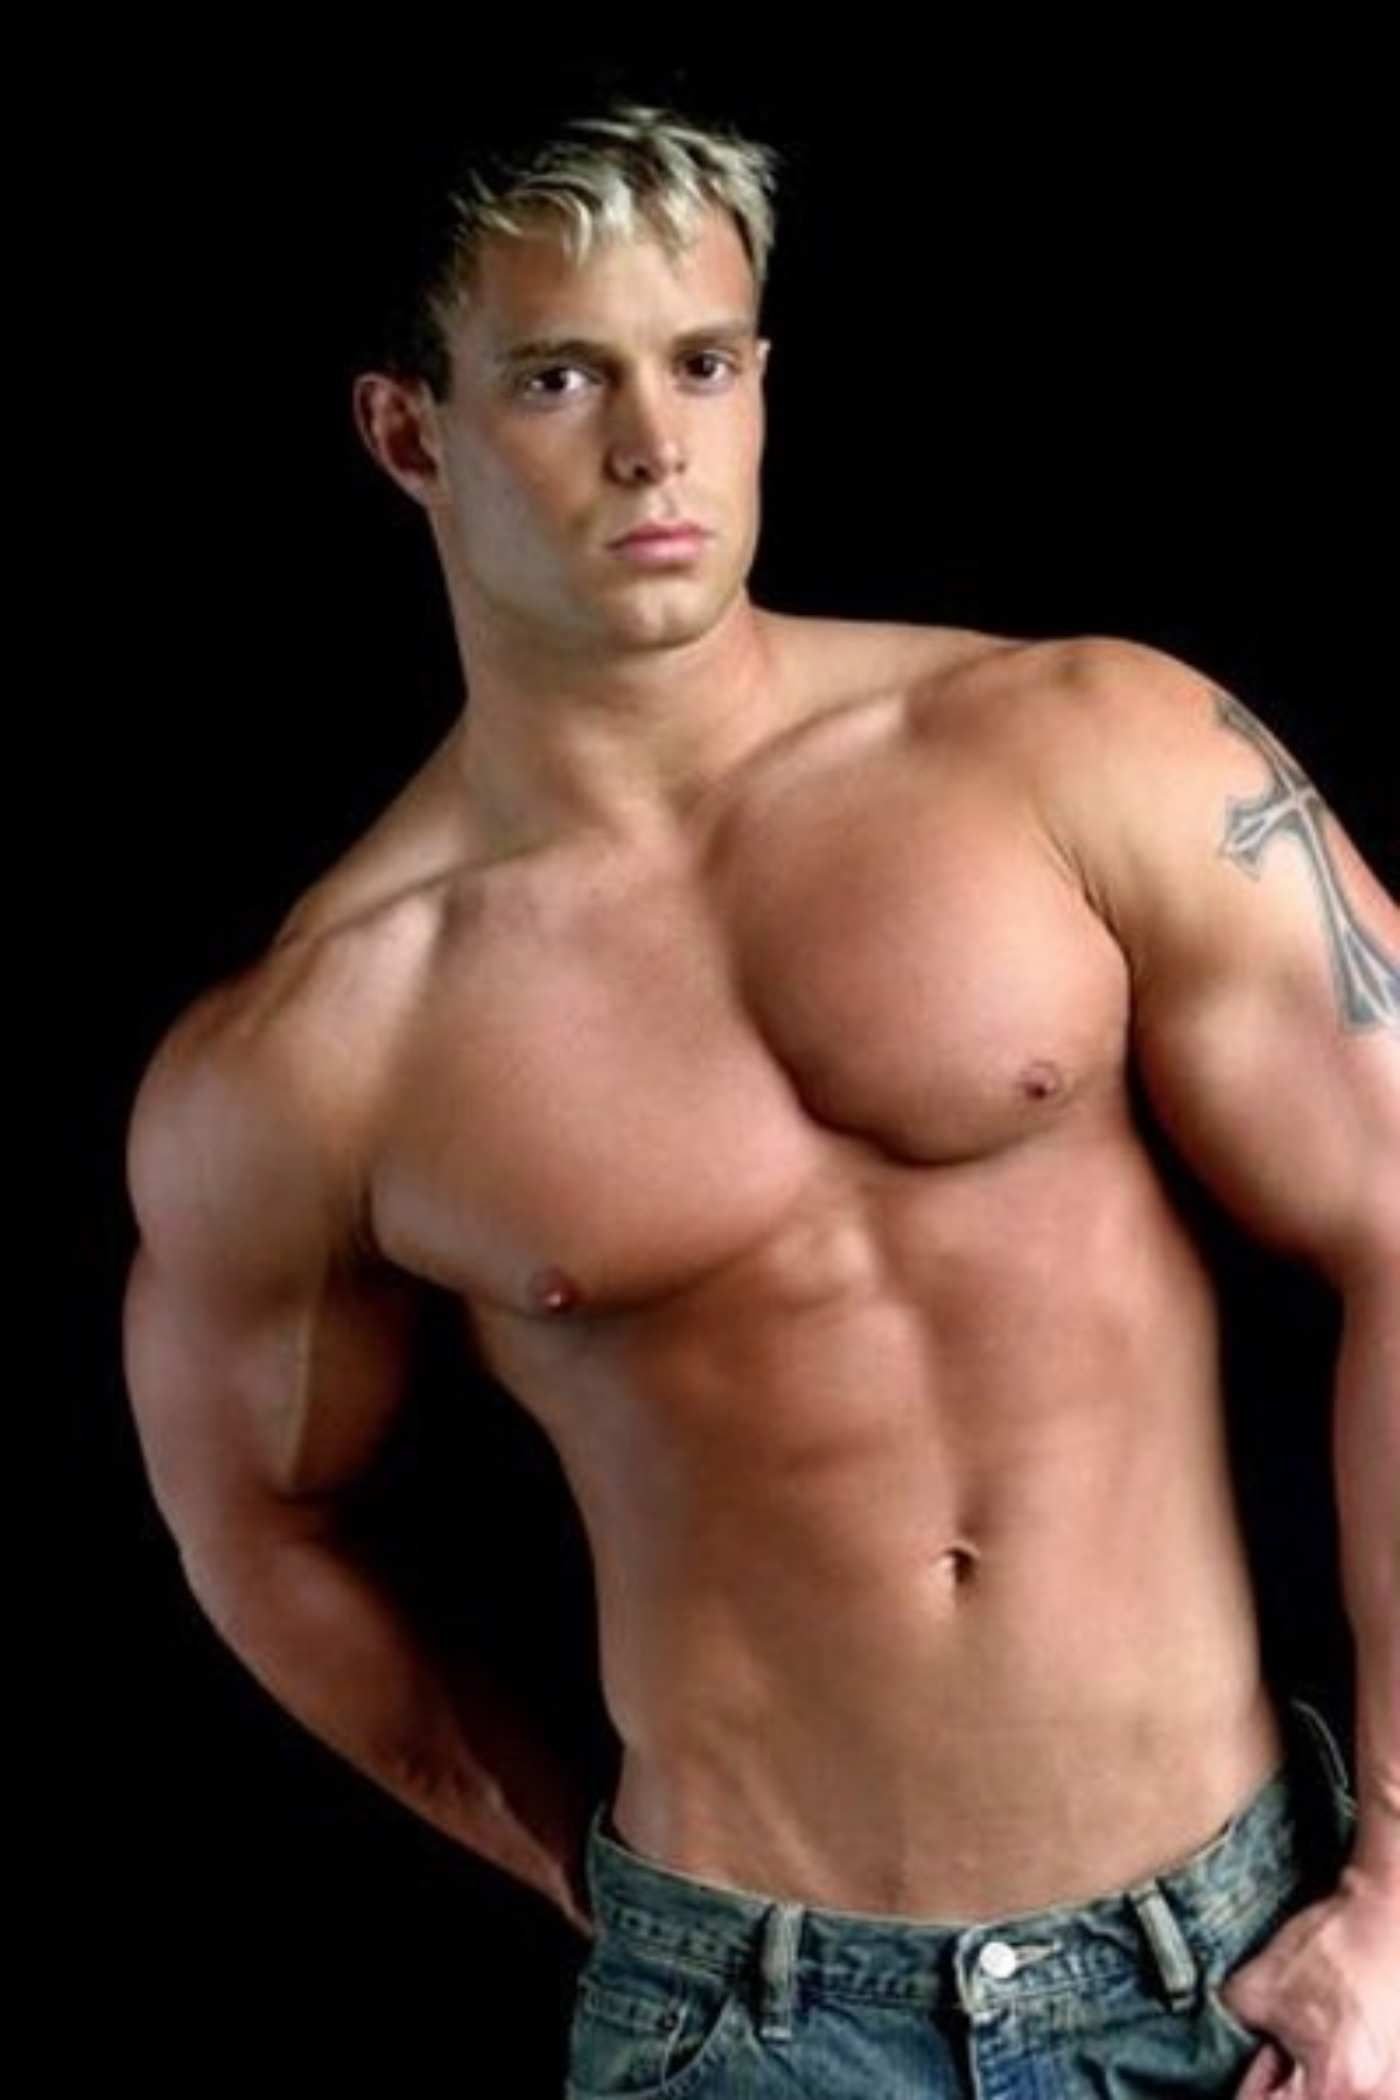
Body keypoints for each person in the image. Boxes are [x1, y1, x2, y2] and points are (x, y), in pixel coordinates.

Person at [122, 96, 1398, 2097]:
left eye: (702, 363)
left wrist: (1397, 1900)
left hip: (1244, 1968)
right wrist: (610, 1902)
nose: (655, 446)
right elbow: (256, 1527)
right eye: (560, 378)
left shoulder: (1087, 749)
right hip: (748, 2028)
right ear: (409, 434)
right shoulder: (324, 1046)